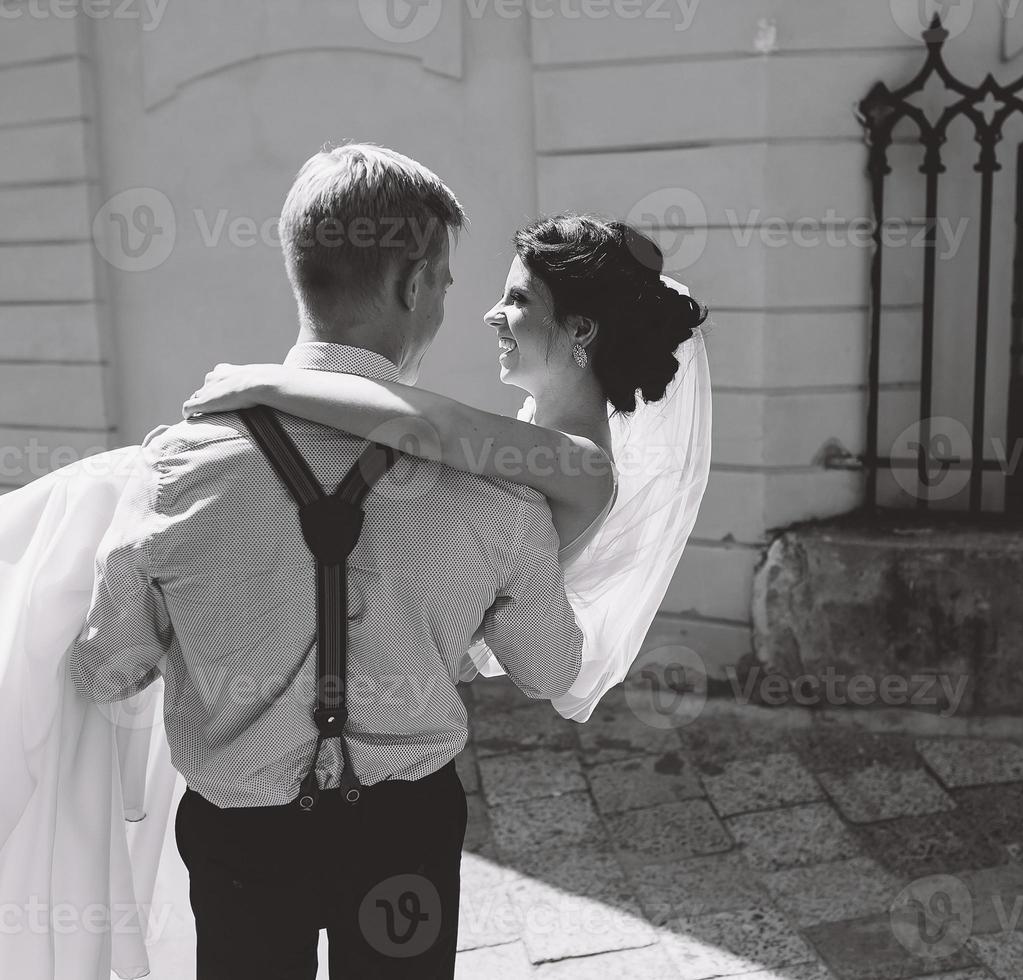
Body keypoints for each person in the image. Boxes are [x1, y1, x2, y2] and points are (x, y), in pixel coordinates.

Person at [0, 143, 590, 980]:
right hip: (402, 839)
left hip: (243, 843)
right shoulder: (494, 495)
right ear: (413, 283)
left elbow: (107, 669)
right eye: (448, 281)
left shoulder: (173, 472)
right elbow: (551, 668)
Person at [185, 212, 713, 722]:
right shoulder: (537, 430)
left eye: (518, 298)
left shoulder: (583, 462)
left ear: (580, 330)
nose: (492, 314)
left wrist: (267, 384)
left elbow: (432, 426)